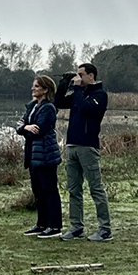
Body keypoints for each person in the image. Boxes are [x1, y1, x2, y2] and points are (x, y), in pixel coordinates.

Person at [55, 63, 112, 242]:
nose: (78, 78)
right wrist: (64, 84)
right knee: (74, 189)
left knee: (96, 188)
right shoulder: (80, 93)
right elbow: (60, 102)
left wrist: (78, 89)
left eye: (81, 75)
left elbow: (87, 108)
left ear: (91, 76)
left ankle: (105, 229)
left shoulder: (99, 95)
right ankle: (76, 227)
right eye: (76, 75)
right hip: (71, 145)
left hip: (88, 146)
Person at [15, 75, 62, 239]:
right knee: (38, 191)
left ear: (45, 90)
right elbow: (20, 126)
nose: (33, 89)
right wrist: (25, 127)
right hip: (33, 155)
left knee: (49, 190)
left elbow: (39, 131)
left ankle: (55, 226)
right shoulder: (32, 106)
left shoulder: (48, 108)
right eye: (33, 86)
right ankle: (41, 224)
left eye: (36, 86)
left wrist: (25, 129)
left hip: (46, 155)